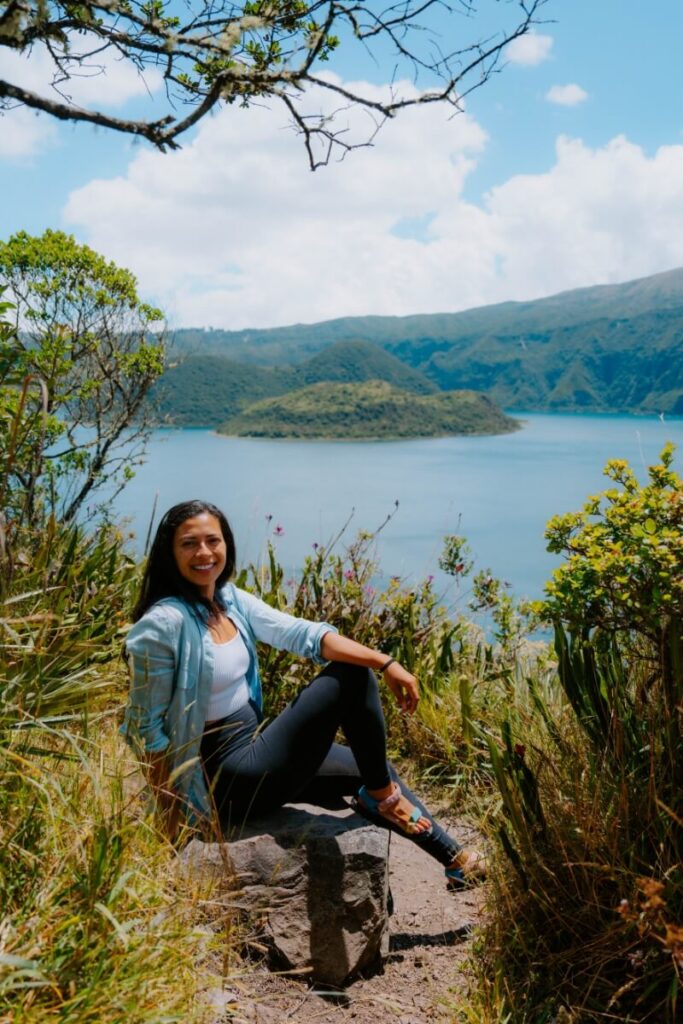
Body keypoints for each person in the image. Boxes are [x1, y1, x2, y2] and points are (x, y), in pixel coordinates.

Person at [121, 499, 486, 888]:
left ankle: (456, 860)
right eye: (189, 543)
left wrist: (387, 661)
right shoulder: (162, 626)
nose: (204, 552)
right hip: (224, 780)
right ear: (169, 553)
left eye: (213, 540)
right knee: (353, 677)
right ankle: (382, 798)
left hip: (254, 751)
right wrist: (171, 818)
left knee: (371, 764)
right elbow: (146, 730)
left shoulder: (227, 601)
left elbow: (302, 634)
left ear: (227, 544)